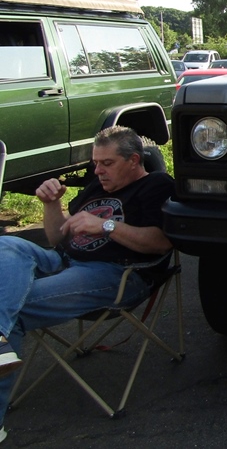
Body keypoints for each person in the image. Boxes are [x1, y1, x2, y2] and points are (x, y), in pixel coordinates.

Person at [0, 126, 175, 443]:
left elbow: (161, 243)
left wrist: (106, 226)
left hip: (115, 273)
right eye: (96, 162)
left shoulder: (157, 185)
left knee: (16, 308)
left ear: (134, 160)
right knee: (6, 245)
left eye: (107, 163)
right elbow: (57, 238)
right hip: (63, 260)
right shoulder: (97, 185)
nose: (98, 171)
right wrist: (51, 204)